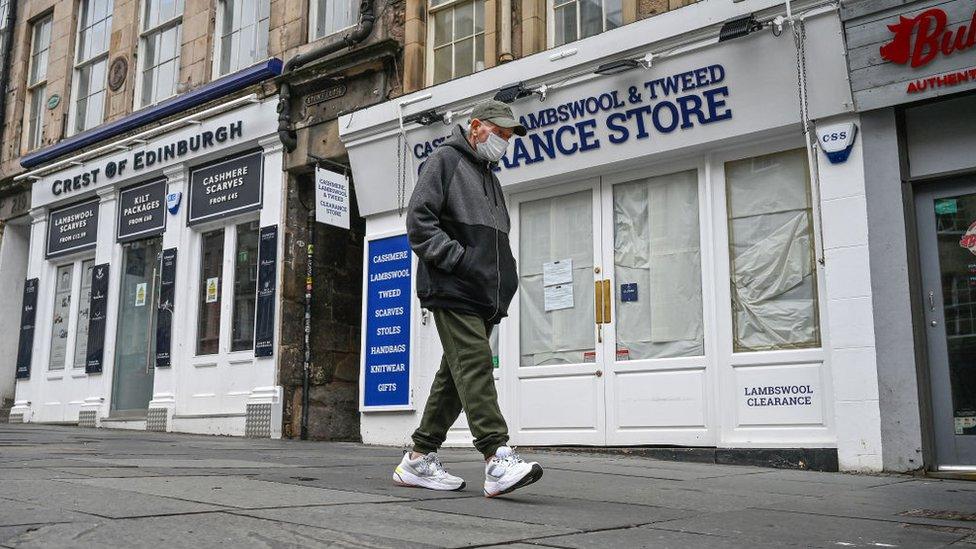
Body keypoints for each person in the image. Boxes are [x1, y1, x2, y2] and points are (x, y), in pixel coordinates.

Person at [393, 99, 543, 498]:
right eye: (500, 133)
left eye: (509, 137)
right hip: (453, 286)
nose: (505, 142)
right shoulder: (444, 161)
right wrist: (459, 261)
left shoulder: (490, 178)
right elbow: (419, 224)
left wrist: (503, 280)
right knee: (474, 364)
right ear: (475, 127)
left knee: (454, 378)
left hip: (482, 294)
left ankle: (419, 458)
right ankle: (496, 457)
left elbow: (495, 242)